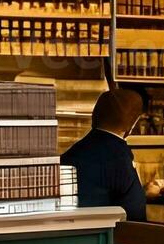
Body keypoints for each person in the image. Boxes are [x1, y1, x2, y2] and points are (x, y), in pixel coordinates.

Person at [61, 89, 147, 221]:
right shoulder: (119, 158)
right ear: (133, 123)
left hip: (65, 232)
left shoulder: (75, 151)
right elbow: (135, 213)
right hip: (99, 236)